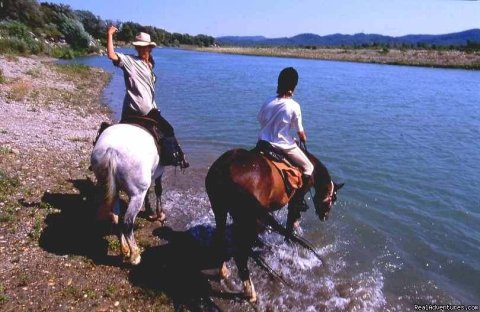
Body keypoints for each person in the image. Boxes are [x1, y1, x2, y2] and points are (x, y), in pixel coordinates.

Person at [106, 25, 189, 168]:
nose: (143, 50)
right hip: (145, 109)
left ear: (150, 48)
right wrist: (109, 34)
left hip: (129, 109)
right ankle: (175, 158)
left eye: (144, 47)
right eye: (140, 47)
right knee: (168, 130)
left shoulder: (149, 65)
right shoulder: (130, 61)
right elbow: (112, 55)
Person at [257, 67, 314, 208]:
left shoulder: (268, 101)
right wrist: (303, 138)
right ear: (293, 87)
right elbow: (301, 133)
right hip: (282, 145)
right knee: (309, 168)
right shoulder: (294, 106)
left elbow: (261, 119)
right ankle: (298, 201)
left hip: (263, 143)